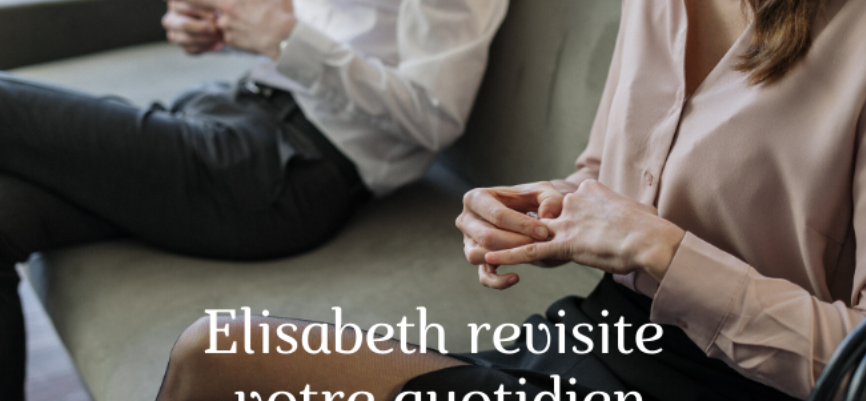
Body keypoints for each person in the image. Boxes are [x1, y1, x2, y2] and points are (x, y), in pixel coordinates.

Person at [154, 0, 866, 400]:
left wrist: (661, 249)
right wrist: (540, 212)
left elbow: (863, 369)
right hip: (598, 337)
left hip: (734, 386)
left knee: (220, 356)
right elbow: (606, 174)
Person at [0, 0, 508, 398]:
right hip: (228, 112)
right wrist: (221, 29)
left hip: (279, 168)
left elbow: (434, 115)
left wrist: (287, 39)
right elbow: (316, 28)